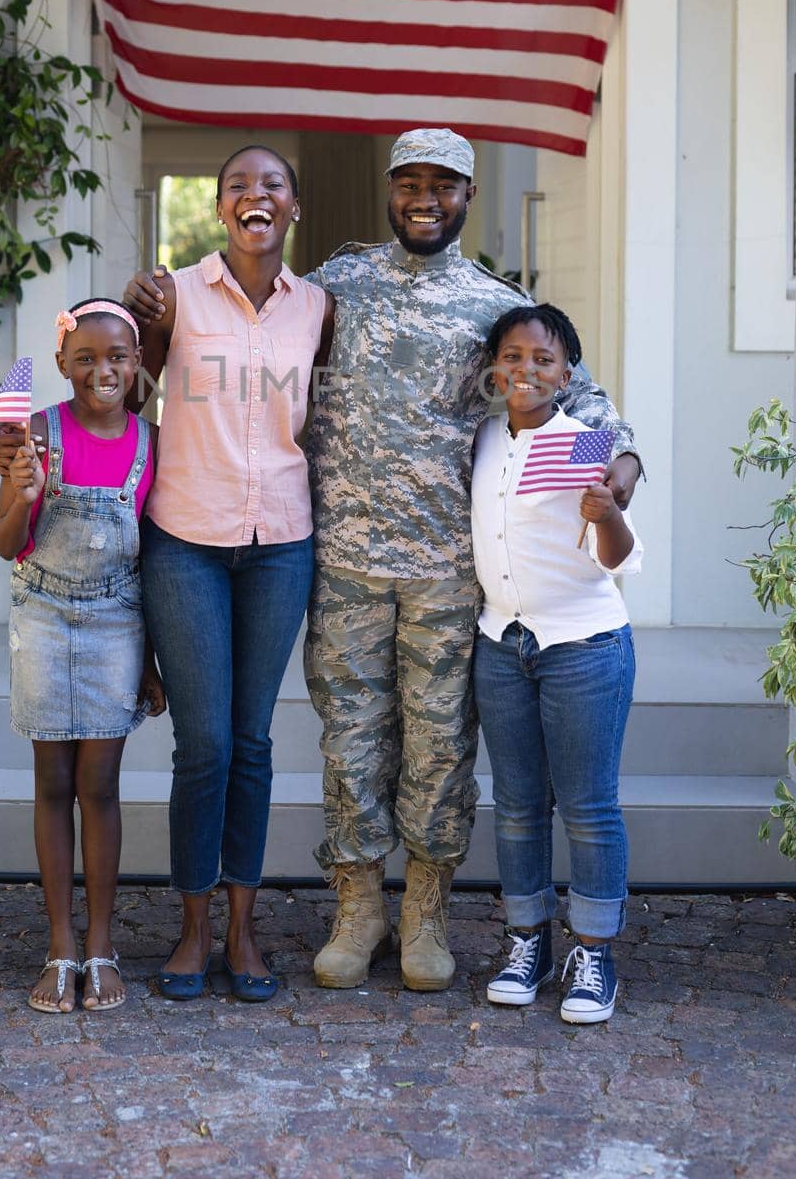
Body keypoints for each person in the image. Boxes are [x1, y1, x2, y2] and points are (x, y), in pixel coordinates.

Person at [126, 126, 640, 995]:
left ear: (467, 197)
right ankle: (357, 906)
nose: (425, 200)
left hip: (447, 570)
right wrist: (156, 308)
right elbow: (249, 343)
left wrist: (620, 465)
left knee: (438, 745)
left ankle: (424, 911)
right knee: (352, 743)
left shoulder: (493, 306)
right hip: (343, 562)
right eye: (410, 184)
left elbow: (580, 396)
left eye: (444, 185)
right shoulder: (333, 286)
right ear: (389, 192)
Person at [132, 145, 334, 1002]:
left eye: (272, 186)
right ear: (220, 210)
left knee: (251, 743)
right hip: (186, 540)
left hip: (282, 542)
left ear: (292, 207)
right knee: (204, 744)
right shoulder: (172, 293)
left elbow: (325, 417)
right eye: (238, 188)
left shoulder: (319, 307)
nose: (256, 197)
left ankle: (244, 930)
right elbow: (119, 377)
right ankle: (190, 928)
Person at [0, 298, 165, 1014]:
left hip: (118, 622)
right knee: (52, 779)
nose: (103, 369)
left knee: (100, 784)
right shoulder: (34, 434)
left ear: (137, 366)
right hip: (43, 613)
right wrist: (15, 491)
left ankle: (101, 946)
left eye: (117, 357)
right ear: (61, 363)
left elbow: (154, 561)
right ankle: (59, 947)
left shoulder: (154, 442)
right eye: (86, 357)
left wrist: (151, 660)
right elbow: (5, 542)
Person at [472, 303, 640, 1024]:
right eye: (512, 356)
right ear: (492, 369)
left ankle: (593, 952)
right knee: (515, 808)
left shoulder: (582, 443)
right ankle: (526, 941)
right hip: (501, 644)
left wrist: (606, 510)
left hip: (583, 646)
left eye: (542, 359)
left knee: (587, 808)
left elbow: (619, 559)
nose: (526, 370)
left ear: (567, 374)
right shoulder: (479, 441)